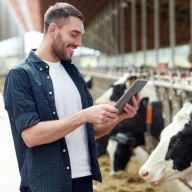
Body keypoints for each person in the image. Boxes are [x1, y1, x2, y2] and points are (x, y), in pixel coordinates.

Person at [3, 2, 139, 192]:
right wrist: (84, 115)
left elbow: (91, 131)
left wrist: (120, 116)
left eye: (80, 36)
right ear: (53, 29)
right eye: (74, 34)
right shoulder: (21, 75)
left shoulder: (73, 73)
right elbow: (31, 136)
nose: (79, 43)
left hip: (83, 179)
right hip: (46, 183)